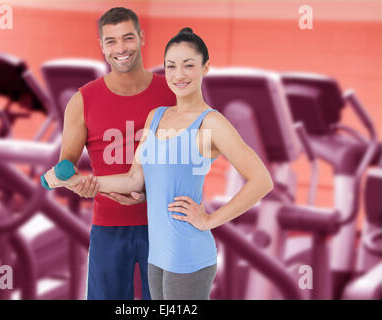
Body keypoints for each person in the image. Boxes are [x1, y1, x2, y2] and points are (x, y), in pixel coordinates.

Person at [46, 27, 274, 299]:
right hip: (157, 255)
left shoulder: (211, 123)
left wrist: (210, 220)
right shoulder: (156, 117)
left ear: (206, 67)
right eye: (171, 66)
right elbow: (133, 180)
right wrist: (79, 182)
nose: (179, 75)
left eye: (189, 65)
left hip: (188, 255)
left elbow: (262, 180)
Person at [45, 7, 176, 300]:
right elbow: (66, 161)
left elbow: (191, 159)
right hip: (108, 227)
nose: (121, 49)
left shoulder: (171, 91)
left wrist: (150, 191)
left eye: (128, 38)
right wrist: (75, 182)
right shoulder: (82, 100)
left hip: (164, 225)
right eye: (112, 41)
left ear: (141, 38)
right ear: (102, 46)